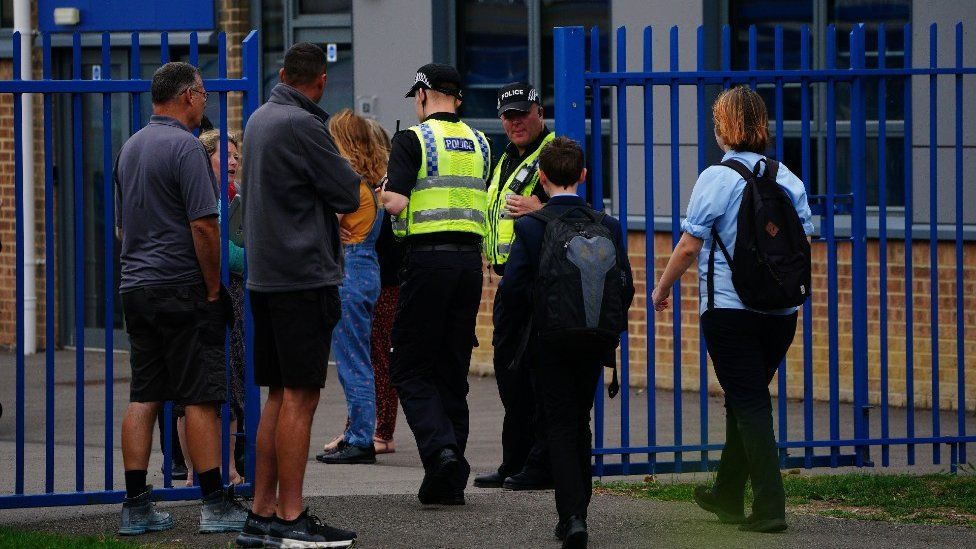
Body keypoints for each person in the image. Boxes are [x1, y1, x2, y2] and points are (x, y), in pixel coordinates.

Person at [650, 86, 814, 534]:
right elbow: (803, 241)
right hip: (781, 312)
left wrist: (661, 288)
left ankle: (770, 506)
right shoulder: (788, 179)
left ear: (724, 127)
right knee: (744, 402)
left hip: (729, 310)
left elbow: (688, 246)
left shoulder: (716, 178)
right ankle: (726, 493)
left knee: (750, 404)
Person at [236, 43, 361, 549]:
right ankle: (291, 516)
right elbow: (348, 192)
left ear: (283, 74)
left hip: (265, 278)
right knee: (302, 399)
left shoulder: (259, 119)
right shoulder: (304, 125)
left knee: (276, 396)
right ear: (322, 81)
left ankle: (262, 511)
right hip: (302, 279)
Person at [115, 61, 247, 536]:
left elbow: (121, 228)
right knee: (202, 397)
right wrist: (213, 290)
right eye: (205, 95)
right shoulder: (187, 149)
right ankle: (215, 502)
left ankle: (136, 505)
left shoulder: (130, 148)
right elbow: (204, 226)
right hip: (182, 286)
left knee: (144, 394)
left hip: (137, 287)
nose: (206, 103)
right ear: (188, 95)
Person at [499, 136, 634, 549]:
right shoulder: (607, 225)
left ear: (541, 179)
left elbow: (515, 289)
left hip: (548, 339)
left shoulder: (531, 227)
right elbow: (624, 285)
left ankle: (572, 516)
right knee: (579, 420)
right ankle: (580, 508)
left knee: (557, 422)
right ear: (583, 175)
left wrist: (514, 337)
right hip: (594, 339)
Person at [382, 63, 489, 506]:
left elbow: (397, 204)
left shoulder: (414, 138)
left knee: (407, 367)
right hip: (469, 267)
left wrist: (376, 190)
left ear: (424, 95)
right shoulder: (481, 142)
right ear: (458, 98)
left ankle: (441, 451)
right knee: (451, 371)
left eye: (415, 96)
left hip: (427, 264)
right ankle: (447, 481)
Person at [475, 81, 555, 491]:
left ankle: (539, 465)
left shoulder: (554, 152)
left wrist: (542, 208)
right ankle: (514, 461)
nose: (515, 122)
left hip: (540, 279)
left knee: (533, 376)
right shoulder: (506, 157)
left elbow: (576, 203)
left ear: (539, 112)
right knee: (511, 375)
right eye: (508, 115)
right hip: (510, 280)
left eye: (522, 113)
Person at [315, 109, 385, 465]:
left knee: (352, 361)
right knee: (359, 358)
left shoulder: (346, 184)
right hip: (366, 268)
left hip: (350, 272)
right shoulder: (369, 185)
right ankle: (359, 432)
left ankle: (360, 437)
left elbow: (317, 226)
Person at [177, 130, 246, 486]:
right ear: (207, 159)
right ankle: (200, 472)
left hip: (233, 298)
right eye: (228, 155)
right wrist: (250, 259)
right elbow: (227, 255)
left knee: (230, 388)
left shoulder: (237, 197)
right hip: (210, 296)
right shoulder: (208, 198)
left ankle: (227, 467)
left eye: (237, 156)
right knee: (204, 387)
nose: (235, 161)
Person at [366, 119, 402, 455]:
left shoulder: (386, 189)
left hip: (387, 281)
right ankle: (373, 427)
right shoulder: (378, 187)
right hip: (383, 279)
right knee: (375, 355)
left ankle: (383, 430)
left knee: (381, 356)